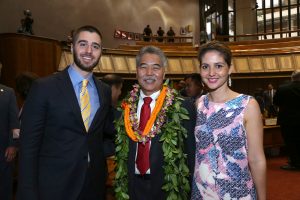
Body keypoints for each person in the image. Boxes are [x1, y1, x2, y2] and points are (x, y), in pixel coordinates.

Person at [17, 25, 113, 200]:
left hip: (94, 186)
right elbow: (28, 147)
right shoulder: (43, 87)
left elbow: (105, 133)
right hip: (54, 186)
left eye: (95, 46)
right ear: (71, 47)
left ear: (101, 53)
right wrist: (28, 193)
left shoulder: (104, 91)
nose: (89, 51)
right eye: (83, 44)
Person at [114, 46, 196, 200]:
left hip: (168, 189)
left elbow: (191, 154)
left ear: (164, 72)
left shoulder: (182, 107)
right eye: (143, 67)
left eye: (155, 68)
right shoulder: (124, 108)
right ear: (137, 71)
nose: (149, 73)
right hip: (131, 187)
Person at [192, 41, 266, 199]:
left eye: (218, 66)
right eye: (205, 66)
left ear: (230, 68)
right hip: (202, 191)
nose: (212, 72)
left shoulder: (248, 105)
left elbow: (256, 159)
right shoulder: (199, 104)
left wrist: (262, 197)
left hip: (237, 192)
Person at [0, 64, 20, 200]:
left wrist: (13, 145)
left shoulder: (8, 93)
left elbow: (15, 123)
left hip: (3, 151)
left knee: (4, 188)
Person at [273, 70, 300, 171]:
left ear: (292, 77)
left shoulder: (283, 88)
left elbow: (276, 102)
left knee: (290, 141)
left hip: (288, 120)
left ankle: (295, 163)